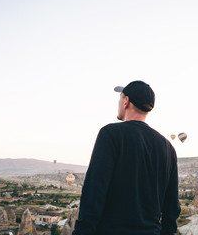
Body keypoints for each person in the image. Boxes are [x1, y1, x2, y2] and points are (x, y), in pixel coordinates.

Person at [72, 81, 181, 235]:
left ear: (126, 101)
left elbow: (94, 194)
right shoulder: (168, 147)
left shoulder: (110, 134)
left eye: (120, 98)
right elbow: (171, 208)